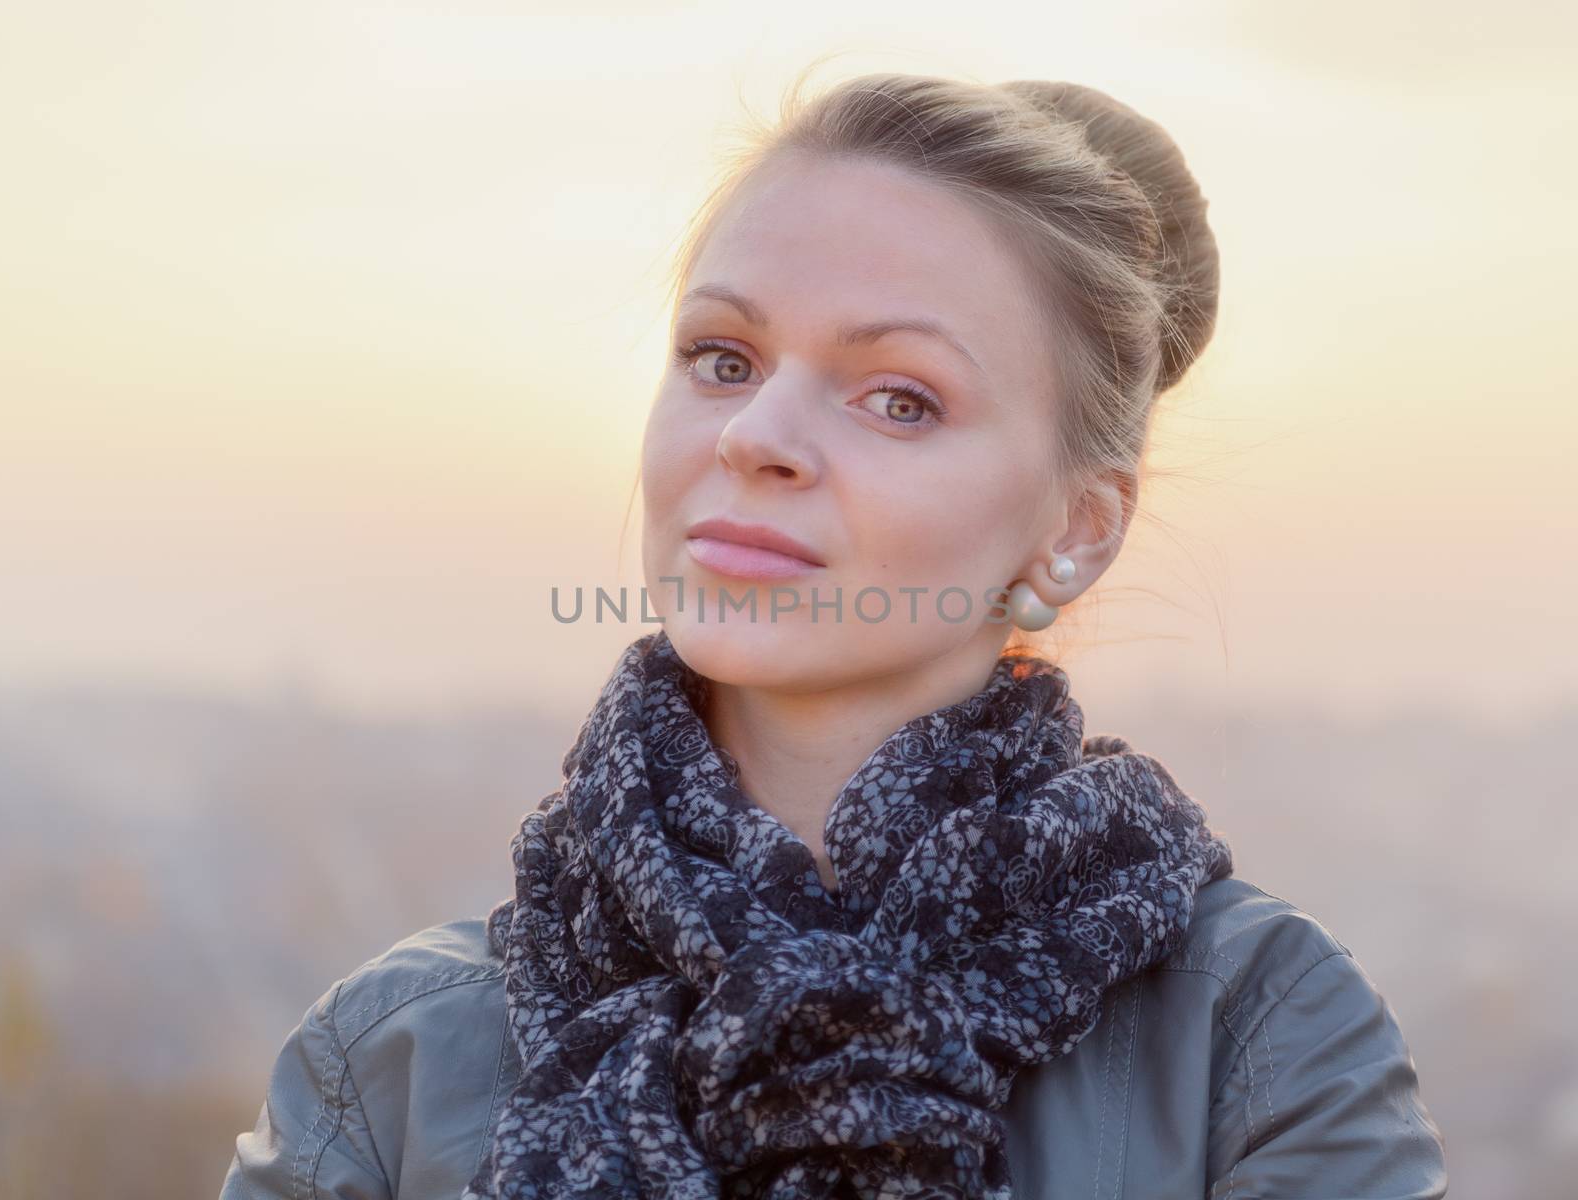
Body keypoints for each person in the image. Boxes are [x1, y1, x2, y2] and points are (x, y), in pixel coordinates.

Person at [220, 70, 1449, 1198]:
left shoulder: (1255, 1030)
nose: (756, 432)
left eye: (899, 399)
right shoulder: (391, 1060)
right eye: (721, 356)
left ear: (1075, 529)